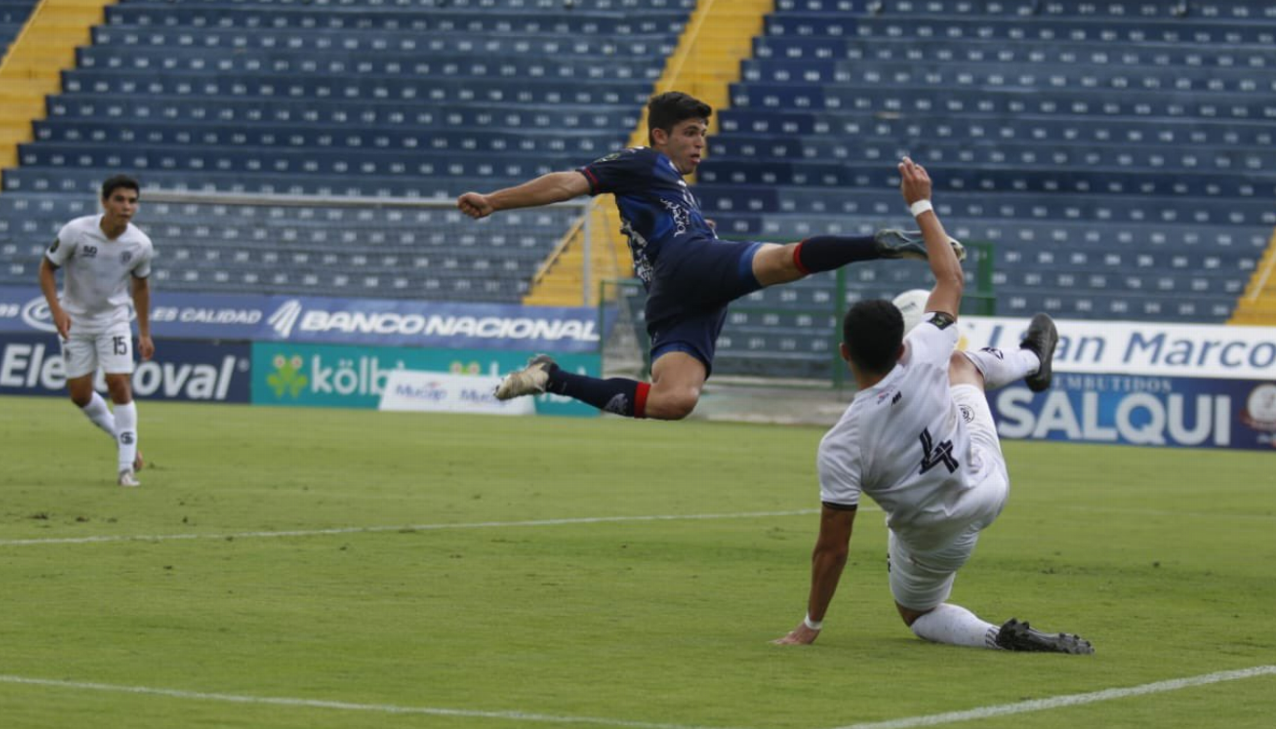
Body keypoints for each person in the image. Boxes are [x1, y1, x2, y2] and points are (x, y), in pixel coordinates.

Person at [458, 91, 963, 420]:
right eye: (691, 134)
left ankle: (551, 375)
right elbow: (567, 182)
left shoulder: (672, 188)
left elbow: (654, 219)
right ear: (661, 136)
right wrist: (494, 200)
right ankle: (884, 243)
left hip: (679, 289)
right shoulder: (640, 160)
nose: (700, 144)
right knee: (785, 260)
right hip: (686, 267)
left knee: (673, 401)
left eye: (703, 135)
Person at [774, 157, 1093, 654]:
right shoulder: (926, 351)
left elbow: (833, 548)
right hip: (987, 484)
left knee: (918, 613)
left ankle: (996, 637)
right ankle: (1033, 356)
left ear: (844, 355)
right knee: (963, 366)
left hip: (935, 533)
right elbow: (951, 278)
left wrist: (811, 623)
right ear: (901, 345)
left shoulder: (840, 443)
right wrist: (920, 202)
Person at [38, 174, 155, 487]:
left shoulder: (140, 244)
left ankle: (125, 467)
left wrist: (144, 332)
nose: (126, 206)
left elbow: (141, 287)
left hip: (113, 320)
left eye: (132, 201)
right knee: (80, 395)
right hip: (74, 320)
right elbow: (47, 269)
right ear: (104, 202)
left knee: (118, 382)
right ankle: (122, 437)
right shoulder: (76, 231)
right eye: (119, 199)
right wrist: (57, 310)